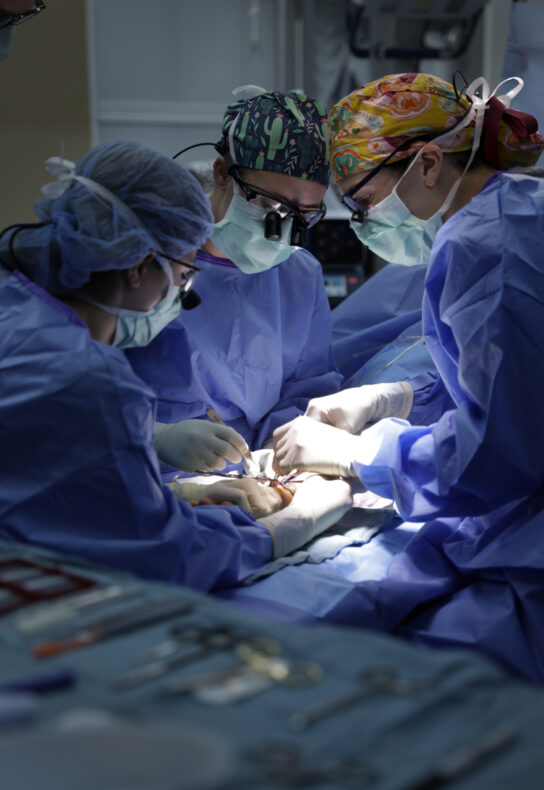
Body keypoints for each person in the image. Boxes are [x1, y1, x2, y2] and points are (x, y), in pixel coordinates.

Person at [271, 72, 544, 683]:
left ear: (427, 163)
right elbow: (513, 382)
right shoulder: (517, 210)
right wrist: (398, 394)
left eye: (363, 203)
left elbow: (499, 454)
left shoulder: (484, 247)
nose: (363, 223)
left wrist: (360, 454)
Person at [0, 140, 352, 591]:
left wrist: (180, 491)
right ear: (139, 266)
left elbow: (49, 480)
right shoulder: (93, 382)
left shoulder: (17, 308)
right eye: (184, 279)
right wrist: (290, 527)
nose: (182, 296)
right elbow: (170, 558)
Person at [126, 89, 342, 478]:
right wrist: (154, 437)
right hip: (143, 469)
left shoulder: (298, 275)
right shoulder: (150, 260)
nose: (283, 233)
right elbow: (85, 386)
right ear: (223, 173)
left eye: (303, 216)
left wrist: (273, 457)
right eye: (272, 208)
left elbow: (307, 388)